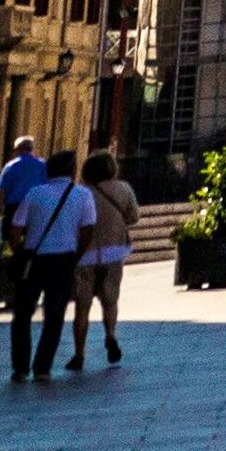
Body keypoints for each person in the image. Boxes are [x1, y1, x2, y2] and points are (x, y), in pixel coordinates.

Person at [6, 144, 98, 380]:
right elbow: (88, 229)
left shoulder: (35, 193)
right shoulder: (82, 195)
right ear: (72, 171)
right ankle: (42, 368)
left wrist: (19, 250)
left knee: (22, 314)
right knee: (54, 315)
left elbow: (16, 227)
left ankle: (20, 366)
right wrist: (76, 254)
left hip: (33, 259)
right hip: (64, 259)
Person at [81, 155, 138, 365]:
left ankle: (79, 353)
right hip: (113, 253)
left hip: (85, 255)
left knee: (82, 305)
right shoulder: (123, 189)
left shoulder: (82, 192)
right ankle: (111, 335)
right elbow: (134, 217)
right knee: (110, 299)